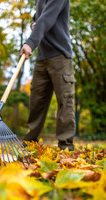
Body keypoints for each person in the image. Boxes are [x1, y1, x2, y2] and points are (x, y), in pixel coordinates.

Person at [20, 0, 76, 151]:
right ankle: (30, 142)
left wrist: (30, 42)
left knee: (65, 101)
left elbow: (47, 18)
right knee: (36, 101)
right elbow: (38, 17)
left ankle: (66, 146)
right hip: (42, 57)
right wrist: (33, 23)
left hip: (60, 56)